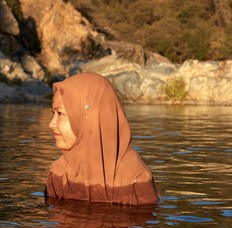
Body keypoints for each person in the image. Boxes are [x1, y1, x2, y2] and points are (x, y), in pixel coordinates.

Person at [46, 73, 158, 205]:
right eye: (53, 113)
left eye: (60, 113)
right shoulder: (58, 173)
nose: (51, 124)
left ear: (89, 118)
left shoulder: (136, 180)